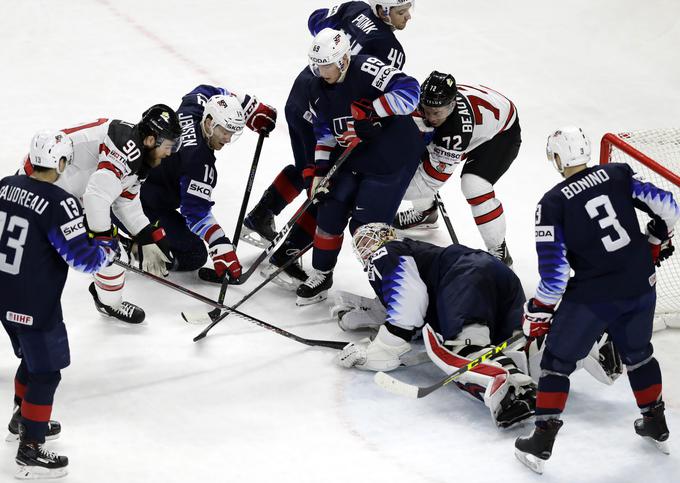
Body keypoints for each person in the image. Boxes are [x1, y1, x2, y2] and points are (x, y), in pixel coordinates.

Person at [514, 127, 679, 474]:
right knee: (639, 354)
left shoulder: (552, 203)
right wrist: (655, 240)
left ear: (558, 159)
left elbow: (556, 275)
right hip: (640, 284)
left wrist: (538, 312)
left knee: (557, 363)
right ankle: (656, 423)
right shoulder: (618, 173)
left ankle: (541, 442)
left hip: (594, 297)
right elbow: (669, 206)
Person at [240, 0, 413, 288]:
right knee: (327, 184)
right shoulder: (389, 49)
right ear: (383, 10)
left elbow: (315, 21)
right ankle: (286, 253)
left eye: (409, 8)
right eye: (400, 11)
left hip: (302, 98)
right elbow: (370, 91)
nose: (407, 16)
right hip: (328, 110)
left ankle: (262, 214)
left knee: (309, 168)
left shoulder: (355, 8)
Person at [333, 223, 536, 428]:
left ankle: (506, 391)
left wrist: (382, 349)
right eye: (360, 245)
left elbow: (409, 299)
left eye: (368, 240)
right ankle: (524, 386)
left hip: (465, 276)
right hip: (497, 275)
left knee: (462, 348)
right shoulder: (415, 253)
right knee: (513, 345)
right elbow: (408, 301)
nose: (365, 248)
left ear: (387, 236)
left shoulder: (387, 251)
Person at [1, 131, 119, 478]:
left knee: (31, 359)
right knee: (46, 371)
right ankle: (30, 450)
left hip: (3, 291)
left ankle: (22, 419)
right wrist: (109, 249)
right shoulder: (60, 201)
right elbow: (83, 259)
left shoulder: (6, 184)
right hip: (33, 300)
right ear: (62, 163)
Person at [295, 28, 425, 305]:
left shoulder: (366, 67)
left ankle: (397, 295)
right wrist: (319, 174)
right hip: (354, 158)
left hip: (391, 158)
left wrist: (375, 109)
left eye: (325, 64)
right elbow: (325, 135)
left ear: (343, 60)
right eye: (316, 64)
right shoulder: (316, 88)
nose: (319, 70)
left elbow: (411, 90)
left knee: (367, 228)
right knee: (329, 208)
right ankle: (322, 274)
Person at [20, 106, 181, 324]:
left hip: (65, 192)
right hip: (44, 190)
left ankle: (108, 301)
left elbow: (125, 200)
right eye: (169, 146)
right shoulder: (127, 150)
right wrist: (104, 241)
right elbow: (96, 196)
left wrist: (146, 234)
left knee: (109, 252)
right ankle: (109, 303)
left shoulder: (139, 154)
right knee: (111, 255)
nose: (170, 152)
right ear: (152, 140)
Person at [140, 85, 277, 282]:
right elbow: (195, 213)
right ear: (211, 123)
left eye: (232, 133)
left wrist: (249, 106)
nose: (228, 139)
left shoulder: (193, 112)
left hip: (136, 185)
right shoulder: (198, 162)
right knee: (194, 255)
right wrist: (219, 243)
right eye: (225, 131)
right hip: (140, 204)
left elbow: (206, 91)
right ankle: (133, 247)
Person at [394, 71, 521, 266]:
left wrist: (385, 192)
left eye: (436, 113)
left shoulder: (455, 132)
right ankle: (426, 213)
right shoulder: (419, 102)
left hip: (500, 133)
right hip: (482, 117)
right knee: (415, 157)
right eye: (426, 110)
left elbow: (428, 183)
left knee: (474, 185)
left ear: (452, 105)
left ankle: (499, 251)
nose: (429, 117)